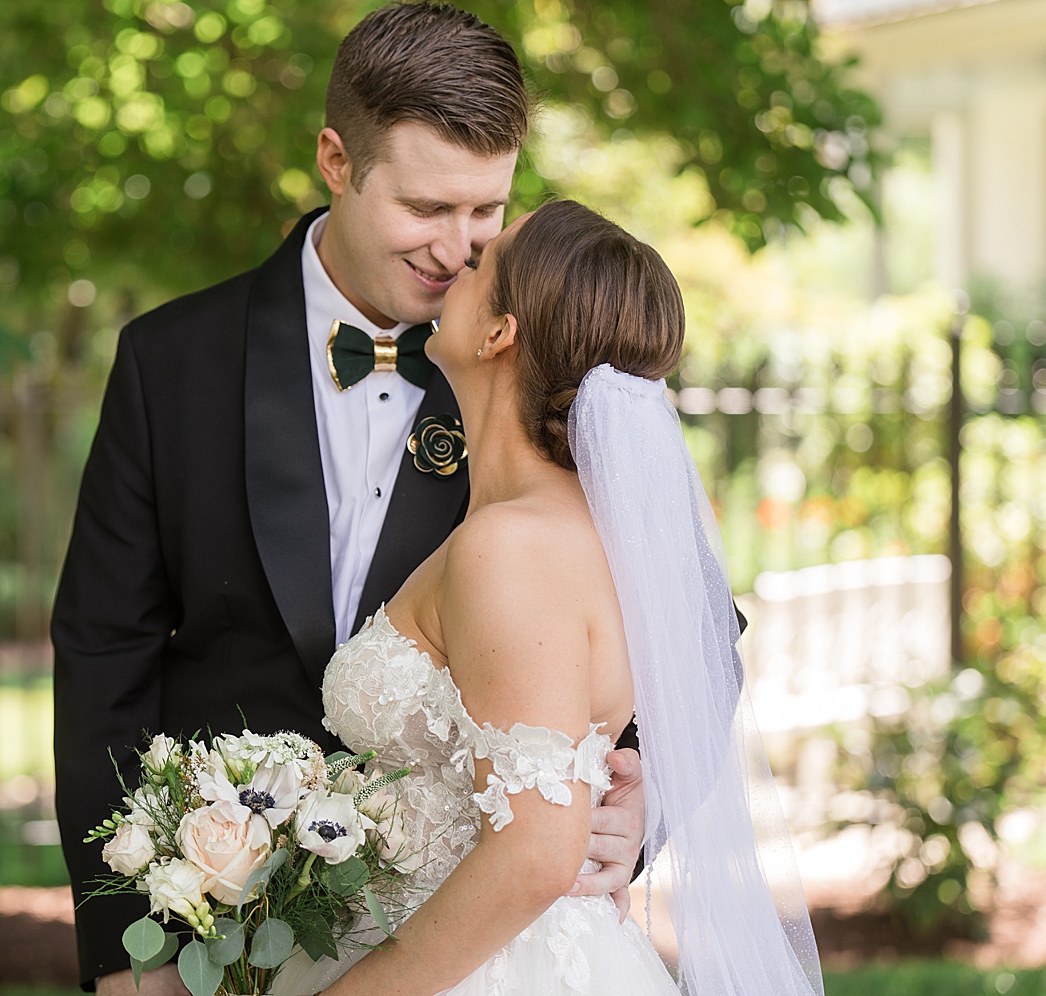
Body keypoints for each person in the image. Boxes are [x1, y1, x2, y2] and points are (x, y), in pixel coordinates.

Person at [51, 5, 652, 994]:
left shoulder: (543, 366)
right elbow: (102, 659)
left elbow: (691, 627)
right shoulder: (172, 364)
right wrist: (123, 951)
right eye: (426, 208)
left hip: (475, 937)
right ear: (337, 160)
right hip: (219, 931)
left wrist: (638, 806)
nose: (461, 249)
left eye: (485, 211)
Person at [286, 201, 822, 996]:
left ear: (501, 333)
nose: (456, 260)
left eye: (481, 261)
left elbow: (535, 855)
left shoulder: (513, 548)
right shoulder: (591, 532)